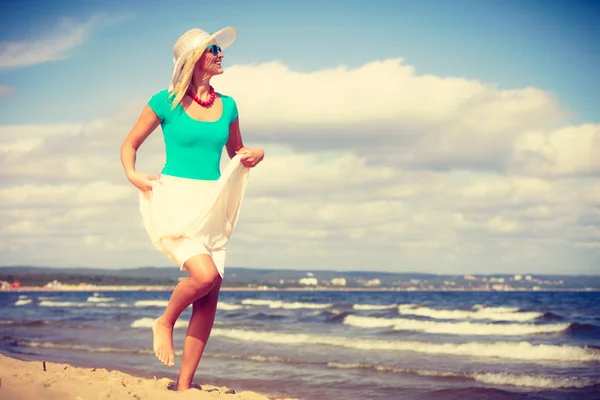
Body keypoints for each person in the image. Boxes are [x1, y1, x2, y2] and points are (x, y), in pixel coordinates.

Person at [120, 27, 264, 391]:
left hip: (213, 202)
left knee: (209, 297)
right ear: (194, 58)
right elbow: (130, 144)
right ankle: (165, 321)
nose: (221, 54)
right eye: (214, 49)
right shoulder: (164, 101)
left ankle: (184, 387)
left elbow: (236, 153)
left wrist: (255, 154)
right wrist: (132, 174)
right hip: (176, 200)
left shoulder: (228, 105)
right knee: (203, 277)